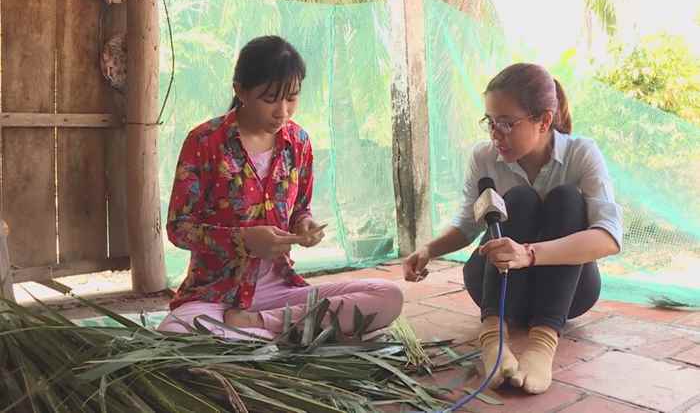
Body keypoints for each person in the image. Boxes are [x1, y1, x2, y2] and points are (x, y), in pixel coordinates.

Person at [158, 36, 402, 339]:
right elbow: (178, 228)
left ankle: (261, 327)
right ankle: (291, 333)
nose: (283, 111)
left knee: (388, 297)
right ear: (240, 91)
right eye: (270, 99)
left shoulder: (298, 142)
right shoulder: (205, 142)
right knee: (177, 332)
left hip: (280, 292)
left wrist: (305, 224)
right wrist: (243, 240)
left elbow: (300, 207)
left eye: (292, 98)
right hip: (216, 295)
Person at [403, 63, 622, 394]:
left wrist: (529, 254)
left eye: (506, 123)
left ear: (544, 120)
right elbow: (467, 224)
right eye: (490, 122)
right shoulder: (484, 158)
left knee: (567, 200)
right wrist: (428, 250)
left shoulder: (581, 154)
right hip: (499, 293)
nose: (495, 134)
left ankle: (543, 342)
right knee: (517, 199)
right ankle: (492, 338)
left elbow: (608, 237)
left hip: (566, 296)